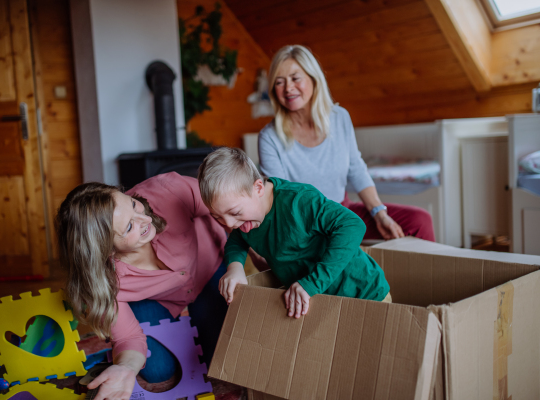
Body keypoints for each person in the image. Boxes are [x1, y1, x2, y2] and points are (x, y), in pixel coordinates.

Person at [55, 172, 227, 400]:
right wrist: (126, 367)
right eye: (128, 227)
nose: (145, 219)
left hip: (210, 267)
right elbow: (128, 339)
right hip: (159, 298)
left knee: (221, 358)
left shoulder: (168, 190)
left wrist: (248, 257)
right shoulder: (102, 281)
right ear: (106, 249)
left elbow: (230, 207)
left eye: (134, 205)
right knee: (157, 370)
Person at [258, 45, 435, 242]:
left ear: (313, 78)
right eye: (279, 82)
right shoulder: (269, 138)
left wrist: (380, 214)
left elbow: (357, 169)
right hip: (305, 226)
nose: (288, 88)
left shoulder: (339, 117)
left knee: (420, 220)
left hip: (344, 212)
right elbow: (281, 199)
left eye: (295, 78)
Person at [197, 147, 390, 319]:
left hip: (363, 293)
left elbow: (352, 225)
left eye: (235, 213)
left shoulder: (299, 201)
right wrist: (235, 266)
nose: (230, 223)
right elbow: (238, 239)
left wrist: (311, 284)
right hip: (321, 303)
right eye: (218, 217)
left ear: (257, 188)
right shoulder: (246, 222)